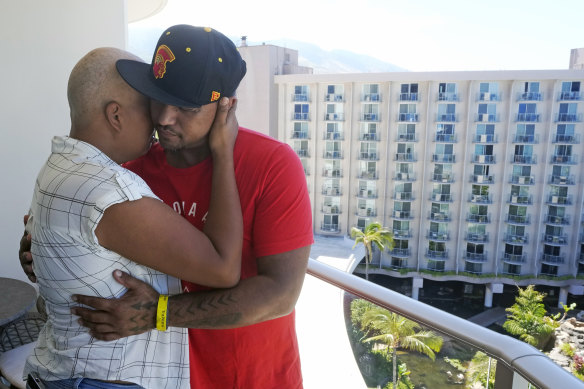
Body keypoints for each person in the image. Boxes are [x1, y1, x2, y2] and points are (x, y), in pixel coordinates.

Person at [20, 25, 314, 388]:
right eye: (158, 98)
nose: (164, 118)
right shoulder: (132, 169)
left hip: (246, 375)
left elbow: (280, 294)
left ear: (226, 105)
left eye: (186, 106)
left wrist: (159, 313)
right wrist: (45, 250)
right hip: (160, 375)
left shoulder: (272, 164)